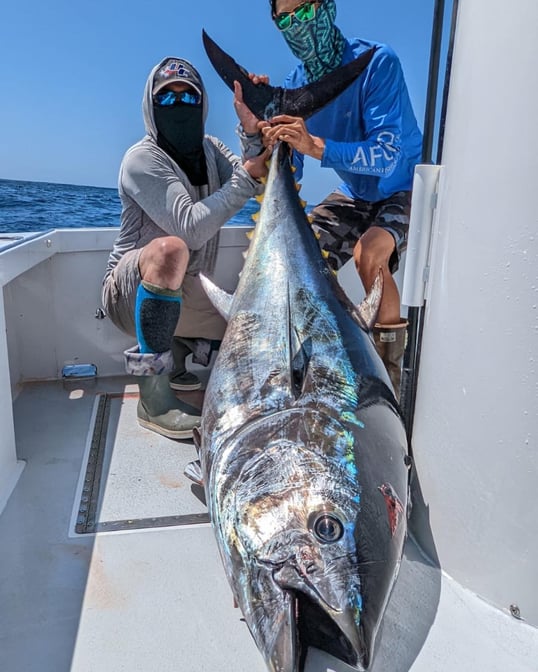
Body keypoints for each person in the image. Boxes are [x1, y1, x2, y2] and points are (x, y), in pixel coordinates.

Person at [241, 0, 423, 399]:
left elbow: (388, 153)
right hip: (355, 193)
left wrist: (317, 145)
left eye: (304, 12)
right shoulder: (296, 87)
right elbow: (294, 175)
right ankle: (317, 367)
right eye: (285, 19)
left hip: (405, 186)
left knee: (368, 255)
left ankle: (390, 385)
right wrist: (263, 136)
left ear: (328, 8)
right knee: (296, 258)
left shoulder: (378, 63)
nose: (297, 26)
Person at [102, 57, 268, 440]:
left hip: (188, 289)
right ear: (151, 105)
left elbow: (254, 175)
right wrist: (247, 176)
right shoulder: (142, 159)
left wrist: (254, 129)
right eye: (168, 100)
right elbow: (192, 229)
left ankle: (176, 349)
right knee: (171, 250)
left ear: (203, 105)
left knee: (257, 339)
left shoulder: (210, 149)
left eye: (188, 99)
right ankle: (153, 400)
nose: (179, 107)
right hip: (128, 294)